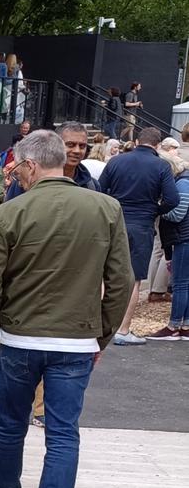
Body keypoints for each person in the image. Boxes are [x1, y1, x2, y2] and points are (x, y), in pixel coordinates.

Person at [0, 131, 135, 488]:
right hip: (77, 339)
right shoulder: (106, 209)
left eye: (18, 170)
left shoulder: (9, 213)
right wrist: (101, 334)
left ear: (30, 166)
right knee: (64, 433)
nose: (17, 176)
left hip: (20, 335)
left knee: (10, 422)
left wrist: (0, 325)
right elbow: (120, 281)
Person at [100, 127, 180, 344]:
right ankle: (123, 330)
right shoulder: (161, 166)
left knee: (105, 274)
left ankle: (99, 326)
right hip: (142, 223)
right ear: (158, 145)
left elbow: (100, 189)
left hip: (115, 220)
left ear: (136, 141)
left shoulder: (116, 161)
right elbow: (172, 199)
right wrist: (154, 210)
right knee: (133, 279)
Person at [148, 149, 189, 339]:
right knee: (185, 284)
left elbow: (177, 214)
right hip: (185, 237)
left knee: (180, 283)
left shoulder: (182, 183)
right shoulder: (184, 181)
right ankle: (185, 326)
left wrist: (158, 210)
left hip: (184, 238)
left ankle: (173, 326)